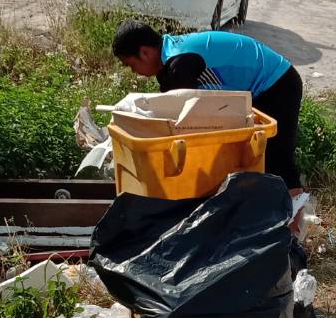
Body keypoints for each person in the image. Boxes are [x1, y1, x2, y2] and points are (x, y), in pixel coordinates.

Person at [111, 21, 302, 194]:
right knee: (249, 152)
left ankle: (296, 219)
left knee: (277, 155)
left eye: (130, 65)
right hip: (255, 86)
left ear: (144, 52)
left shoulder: (180, 65)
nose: (133, 72)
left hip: (278, 83)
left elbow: (184, 127)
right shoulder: (169, 57)